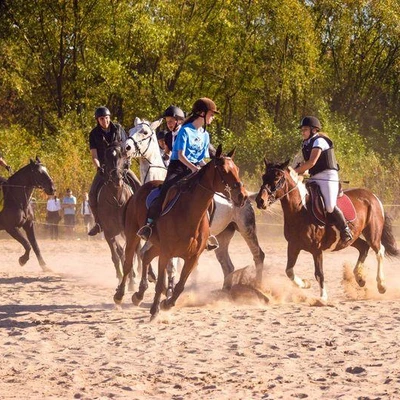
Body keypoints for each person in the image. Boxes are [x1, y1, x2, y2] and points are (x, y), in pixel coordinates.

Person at [137, 97, 220, 251]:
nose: (213, 117)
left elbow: (201, 159)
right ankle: (149, 226)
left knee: (210, 198)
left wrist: (205, 168)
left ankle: (207, 233)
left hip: (195, 170)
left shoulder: (205, 135)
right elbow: (181, 155)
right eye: (211, 114)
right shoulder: (185, 130)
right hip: (178, 168)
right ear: (202, 113)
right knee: (165, 191)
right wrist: (195, 169)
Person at [294, 116, 353, 242]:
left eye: (305, 129)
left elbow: (311, 162)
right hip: (314, 176)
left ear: (314, 130)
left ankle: (345, 229)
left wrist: (294, 172)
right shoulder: (306, 144)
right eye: (302, 130)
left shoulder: (319, 141)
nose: (302, 132)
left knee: (330, 206)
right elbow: (305, 166)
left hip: (328, 176)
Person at [87, 106, 141, 236]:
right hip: (105, 169)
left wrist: (127, 163)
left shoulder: (119, 129)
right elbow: (94, 155)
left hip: (121, 166)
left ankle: (142, 219)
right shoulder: (93, 134)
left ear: (109, 117)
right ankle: (99, 222)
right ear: (97, 120)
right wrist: (98, 167)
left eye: (106, 118)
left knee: (140, 186)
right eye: (101, 119)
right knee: (92, 194)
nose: (104, 121)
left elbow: (127, 148)